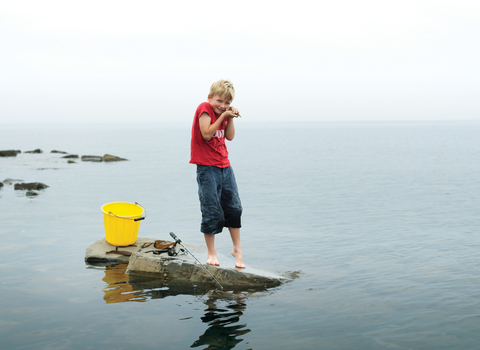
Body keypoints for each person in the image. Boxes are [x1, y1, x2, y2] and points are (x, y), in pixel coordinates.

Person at [190, 80, 245, 268]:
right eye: (219, 101)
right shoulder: (204, 108)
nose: (222, 106)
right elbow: (206, 134)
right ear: (210, 98)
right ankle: (211, 252)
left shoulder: (223, 114)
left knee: (234, 208)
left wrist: (230, 117)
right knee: (212, 210)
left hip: (225, 166)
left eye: (227, 103)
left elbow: (229, 136)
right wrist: (222, 117)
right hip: (207, 168)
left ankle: (237, 249)